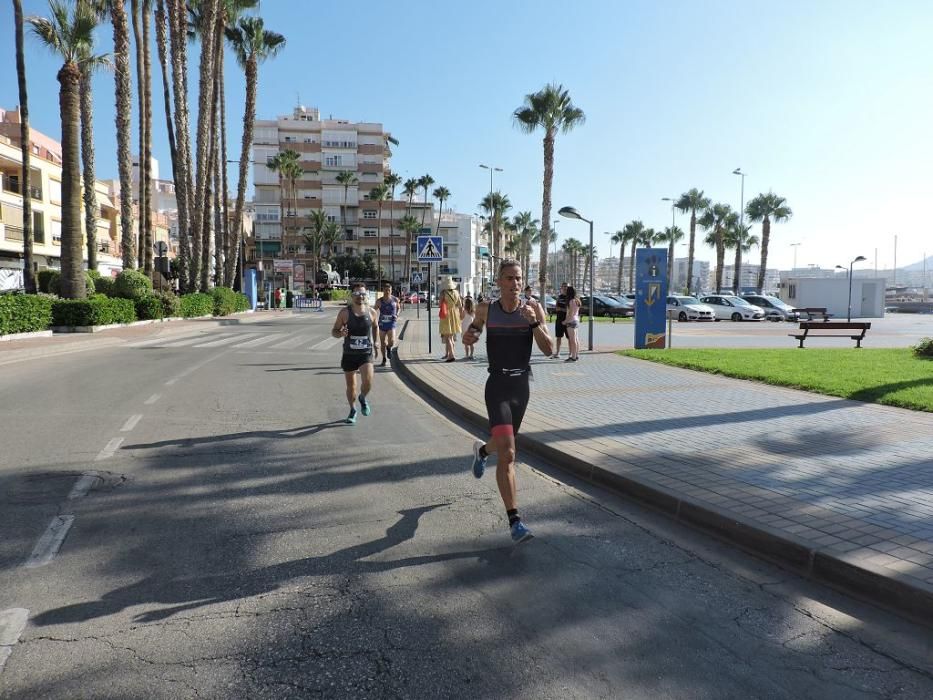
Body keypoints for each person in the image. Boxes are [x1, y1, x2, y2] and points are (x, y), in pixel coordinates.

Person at [462, 259, 554, 543]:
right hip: (498, 385)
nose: (515, 284)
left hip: (521, 386)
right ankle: (515, 521)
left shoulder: (533, 309)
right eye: (509, 278)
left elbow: (549, 350)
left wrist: (535, 323)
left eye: (518, 278)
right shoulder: (487, 308)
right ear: (499, 282)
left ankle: (482, 452)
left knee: (503, 445)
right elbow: (472, 332)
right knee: (510, 453)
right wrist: (471, 335)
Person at [331, 282, 378, 425]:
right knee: (351, 386)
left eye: (363, 293)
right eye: (357, 294)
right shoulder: (345, 313)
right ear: (352, 295)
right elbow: (334, 331)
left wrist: (376, 343)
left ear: (366, 295)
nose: (360, 296)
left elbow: (375, 327)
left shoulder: (372, 312)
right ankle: (352, 410)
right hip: (349, 354)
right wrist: (341, 333)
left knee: (368, 381)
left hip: (365, 353)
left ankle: (363, 398)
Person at [438, 277, 463, 362]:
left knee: (447, 337)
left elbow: (439, 304)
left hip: (446, 314)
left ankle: (451, 355)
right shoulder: (456, 292)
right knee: (451, 336)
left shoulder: (443, 293)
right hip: (455, 314)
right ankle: (451, 353)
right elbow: (460, 305)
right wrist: (461, 315)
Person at [375, 283, 400, 367]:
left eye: (389, 290)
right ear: (383, 291)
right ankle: (384, 359)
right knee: (382, 343)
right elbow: (374, 311)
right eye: (385, 290)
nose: (387, 292)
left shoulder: (395, 300)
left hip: (391, 323)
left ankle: (389, 348)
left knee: (392, 341)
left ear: (391, 290)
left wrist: (397, 314)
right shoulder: (379, 301)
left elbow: (398, 308)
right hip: (382, 324)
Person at [563, 285, 581, 362]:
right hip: (576, 320)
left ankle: (573, 357)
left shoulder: (571, 301)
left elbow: (570, 313)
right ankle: (576, 355)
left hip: (571, 321)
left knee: (572, 340)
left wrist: (565, 321)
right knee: (576, 339)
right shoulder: (577, 300)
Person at [552, 282, 568, 358]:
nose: (565, 288)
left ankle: (571, 353)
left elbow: (569, 310)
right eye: (563, 286)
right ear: (561, 288)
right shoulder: (559, 297)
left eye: (566, 286)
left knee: (570, 338)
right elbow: (556, 307)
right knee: (558, 337)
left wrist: (561, 309)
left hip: (567, 320)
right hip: (559, 319)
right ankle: (557, 353)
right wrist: (560, 309)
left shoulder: (569, 298)